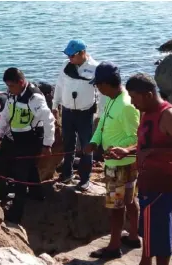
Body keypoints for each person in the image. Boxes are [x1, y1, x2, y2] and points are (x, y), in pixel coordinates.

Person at [106, 73, 172, 265]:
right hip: (147, 183)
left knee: (159, 231)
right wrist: (127, 151)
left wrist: (153, 152)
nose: (132, 103)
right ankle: (145, 261)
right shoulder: (146, 112)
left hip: (162, 184)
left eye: (133, 97)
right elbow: (145, 144)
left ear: (148, 95)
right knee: (147, 229)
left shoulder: (168, 115)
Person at [84, 62, 141, 259]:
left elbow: (136, 138)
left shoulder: (126, 105)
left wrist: (119, 150)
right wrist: (94, 141)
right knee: (129, 200)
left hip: (120, 165)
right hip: (116, 163)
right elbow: (102, 125)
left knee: (116, 207)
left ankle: (114, 247)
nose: (97, 88)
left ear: (107, 83)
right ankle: (133, 237)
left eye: (98, 84)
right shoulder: (112, 99)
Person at [0, 67, 55, 224]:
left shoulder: (34, 98)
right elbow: (6, 115)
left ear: (21, 82)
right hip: (16, 138)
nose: (8, 89)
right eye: (7, 86)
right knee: (27, 167)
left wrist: (47, 144)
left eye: (11, 86)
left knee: (20, 176)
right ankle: (37, 194)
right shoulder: (13, 95)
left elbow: (49, 120)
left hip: (31, 139)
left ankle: (15, 215)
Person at [52, 39, 105, 191]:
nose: (69, 58)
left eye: (72, 55)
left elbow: (101, 93)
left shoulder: (95, 68)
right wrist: (55, 105)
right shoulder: (66, 66)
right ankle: (67, 174)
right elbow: (60, 85)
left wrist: (101, 114)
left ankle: (85, 178)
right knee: (68, 144)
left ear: (82, 53)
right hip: (67, 111)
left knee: (87, 146)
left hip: (85, 113)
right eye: (68, 55)